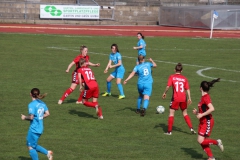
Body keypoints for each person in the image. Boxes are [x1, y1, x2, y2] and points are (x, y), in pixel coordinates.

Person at [192, 78, 223, 160]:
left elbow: (212, 108)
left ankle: (217, 142)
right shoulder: (203, 97)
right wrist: (197, 113)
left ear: (201, 88)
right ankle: (211, 157)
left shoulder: (206, 97)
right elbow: (204, 110)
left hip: (207, 122)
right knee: (202, 141)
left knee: (200, 140)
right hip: (202, 121)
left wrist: (201, 114)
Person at [162, 63, 196, 135]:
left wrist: (164, 93)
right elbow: (188, 89)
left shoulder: (172, 77)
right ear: (182, 71)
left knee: (171, 113)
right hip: (184, 98)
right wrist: (189, 98)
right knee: (185, 113)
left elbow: (168, 86)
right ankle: (191, 128)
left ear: (175, 70)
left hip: (175, 98)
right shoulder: (184, 78)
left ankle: (169, 131)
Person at [21, 88, 53, 160]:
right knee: (32, 144)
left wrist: (24, 117)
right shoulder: (42, 103)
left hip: (34, 128)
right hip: (40, 128)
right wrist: (39, 117)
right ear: (38, 95)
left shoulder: (31, 105)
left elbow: (31, 117)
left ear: (30, 94)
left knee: (30, 146)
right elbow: (47, 114)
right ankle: (48, 153)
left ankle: (47, 153)